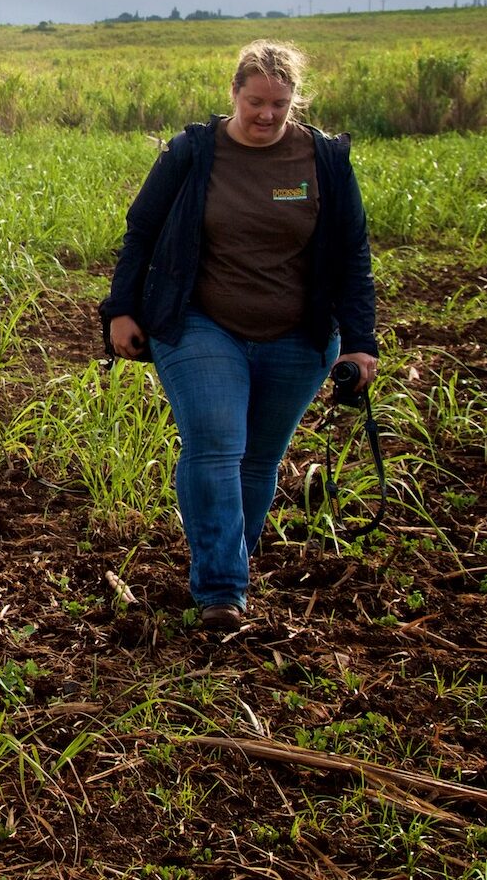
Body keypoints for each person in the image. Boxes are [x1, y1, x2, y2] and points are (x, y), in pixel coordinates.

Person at [103, 40, 378, 633]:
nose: (267, 115)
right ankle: (222, 593)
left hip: (297, 335)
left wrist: (360, 341)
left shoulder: (324, 160)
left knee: (257, 462)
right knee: (217, 444)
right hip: (200, 322)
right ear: (234, 94)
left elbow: (353, 252)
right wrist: (120, 308)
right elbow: (142, 230)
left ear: (294, 101)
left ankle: (229, 566)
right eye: (255, 101)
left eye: (280, 104)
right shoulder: (194, 152)